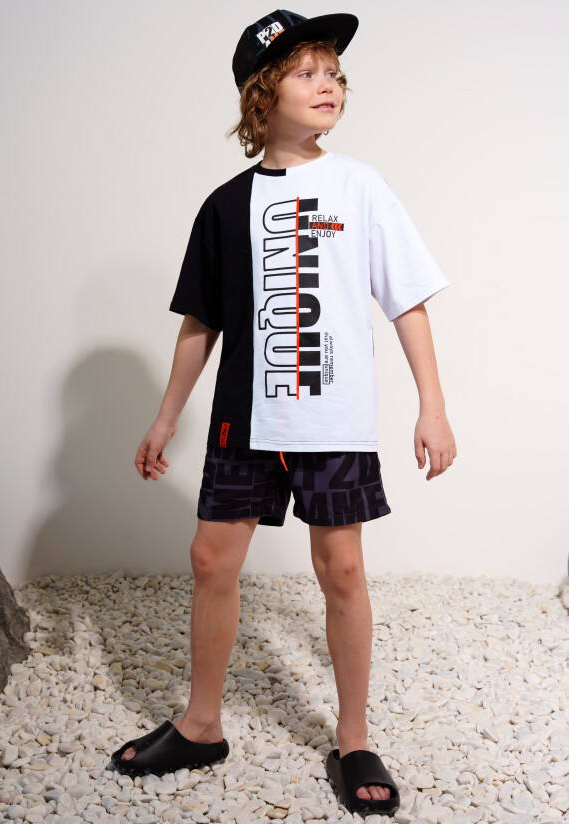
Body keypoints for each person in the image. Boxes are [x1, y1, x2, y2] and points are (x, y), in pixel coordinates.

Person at [109, 9, 456, 818]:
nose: (327, 84)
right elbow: (201, 323)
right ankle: (201, 725)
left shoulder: (361, 186)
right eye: (306, 72)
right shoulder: (225, 206)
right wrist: (164, 418)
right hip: (245, 418)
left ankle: (353, 736)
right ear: (262, 95)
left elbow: (407, 301)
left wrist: (432, 406)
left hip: (334, 420)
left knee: (342, 571)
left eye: (334, 72)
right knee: (210, 560)